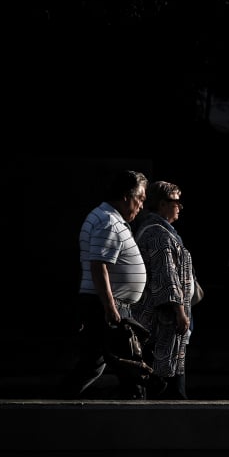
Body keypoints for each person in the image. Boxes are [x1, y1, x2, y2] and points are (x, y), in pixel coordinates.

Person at [62, 169, 150, 399]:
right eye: (139, 199)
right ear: (126, 196)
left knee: (94, 362)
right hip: (107, 306)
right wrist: (111, 307)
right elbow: (99, 265)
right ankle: (139, 411)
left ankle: (58, 402)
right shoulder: (108, 221)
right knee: (131, 366)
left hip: (107, 304)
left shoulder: (108, 217)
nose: (141, 205)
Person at [132, 181, 197, 399]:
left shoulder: (160, 231)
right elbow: (165, 276)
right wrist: (180, 311)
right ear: (162, 204)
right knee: (166, 380)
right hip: (162, 322)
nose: (180, 206)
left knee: (167, 378)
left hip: (163, 320)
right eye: (176, 201)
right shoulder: (158, 234)